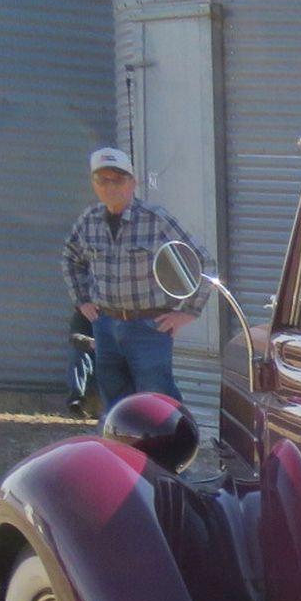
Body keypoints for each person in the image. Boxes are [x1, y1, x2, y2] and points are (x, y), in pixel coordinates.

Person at [60, 146, 207, 411]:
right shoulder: (88, 221)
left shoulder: (155, 220)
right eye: (102, 180)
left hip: (148, 327)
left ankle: (170, 451)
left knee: (157, 403)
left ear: (133, 182)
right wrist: (82, 300)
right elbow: (71, 258)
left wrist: (188, 312)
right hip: (105, 326)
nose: (110, 186)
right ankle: (121, 452)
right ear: (94, 184)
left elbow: (203, 263)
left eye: (118, 179)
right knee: (116, 405)